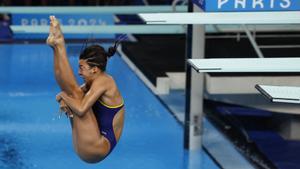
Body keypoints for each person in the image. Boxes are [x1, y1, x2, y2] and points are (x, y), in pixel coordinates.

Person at [46, 15, 125, 163]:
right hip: (87, 144)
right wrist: (64, 97)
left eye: (82, 68)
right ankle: (56, 47)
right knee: (72, 92)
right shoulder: (93, 82)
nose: (79, 72)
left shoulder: (104, 81)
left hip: (97, 147)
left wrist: (64, 97)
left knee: (73, 94)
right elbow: (66, 92)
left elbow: (81, 109)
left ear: (95, 69)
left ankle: (60, 44)